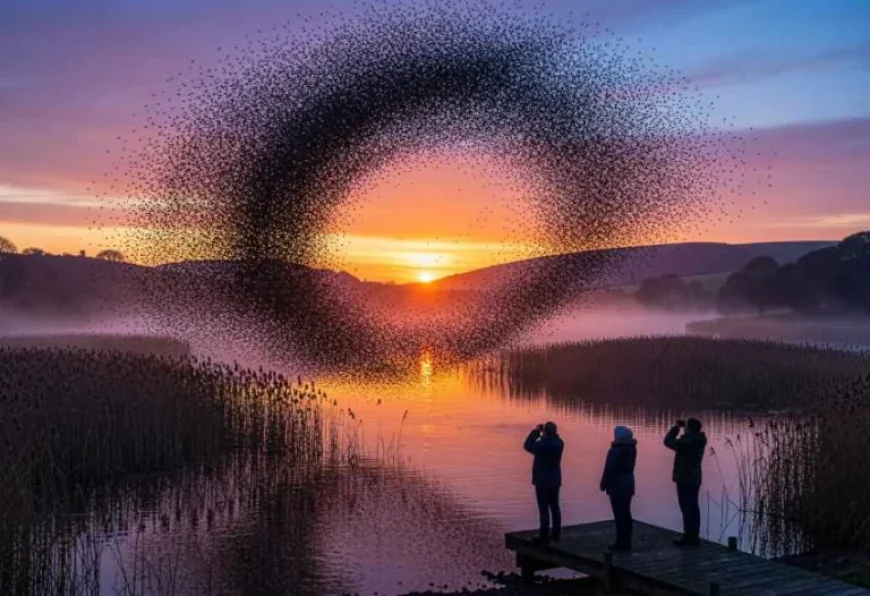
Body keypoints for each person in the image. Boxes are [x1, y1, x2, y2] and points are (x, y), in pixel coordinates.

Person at [664, 418, 707, 546]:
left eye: (687, 427)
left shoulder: (687, 442)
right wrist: (686, 428)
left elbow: (668, 441)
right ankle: (694, 535)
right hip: (695, 477)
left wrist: (676, 428)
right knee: (694, 506)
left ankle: (689, 536)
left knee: (686, 507)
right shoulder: (700, 439)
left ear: (690, 429)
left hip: (685, 478)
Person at [523, 421, 564, 543]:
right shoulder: (560, 443)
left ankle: (544, 536)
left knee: (543, 509)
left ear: (546, 431)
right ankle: (556, 534)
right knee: (555, 507)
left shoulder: (543, 444)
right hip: (555, 479)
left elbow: (527, 445)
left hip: (542, 480)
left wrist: (536, 431)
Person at [599, 425, 637, 552]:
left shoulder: (615, 450)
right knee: (626, 513)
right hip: (629, 484)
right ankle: (627, 542)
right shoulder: (632, 449)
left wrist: (603, 484)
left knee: (619, 514)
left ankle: (620, 543)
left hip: (617, 485)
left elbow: (609, 468)